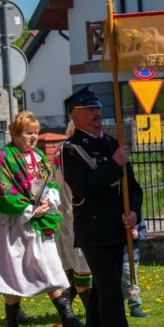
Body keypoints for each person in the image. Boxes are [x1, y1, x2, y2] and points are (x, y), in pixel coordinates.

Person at [0, 111, 85, 327]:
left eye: (35, 133)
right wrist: (30, 209)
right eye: (27, 133)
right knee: (15, 275)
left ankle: (67, 318)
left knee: (50, 267)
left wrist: (47, 201)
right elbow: (2, 190)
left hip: (37, 224)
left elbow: (48, 183)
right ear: (15, 134)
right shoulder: (4, 157)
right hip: (12, 225)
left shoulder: (38, 157)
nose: (33, 137)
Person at [61, 86, 143, 327]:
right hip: (94, 229)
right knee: (110, 290)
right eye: (90, 110)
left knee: (102, 291)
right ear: (76, 115)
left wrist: (134, 212)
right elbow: (83, 187)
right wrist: (113, 165)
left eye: (98, 108)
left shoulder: (111, 142)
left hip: (116, 227)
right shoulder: (71, 150)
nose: (97, 114)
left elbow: (132, 186)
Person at [53, 121, 92, 310]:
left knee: (80, 263)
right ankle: (71, 304)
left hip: (77, 210)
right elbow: (62, 184)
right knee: (77, 262)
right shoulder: (64, 152)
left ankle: (69, 305)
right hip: (69, 210)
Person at [122, 221, 147, 317]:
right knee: (121, 284)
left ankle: (135, 306)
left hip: (130, 256)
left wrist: (137, 235)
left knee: (131, 282)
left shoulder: (138, 217)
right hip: (117, 255)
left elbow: (144, 234)